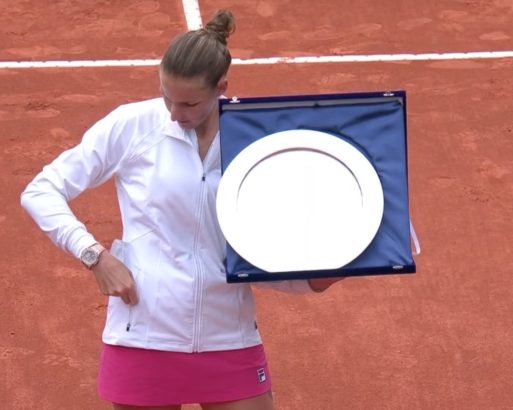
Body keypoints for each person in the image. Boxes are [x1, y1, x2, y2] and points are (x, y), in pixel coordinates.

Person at [21, 9, 341, 410]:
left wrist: (314, 278)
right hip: (143, 335)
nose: (174, 114)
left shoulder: (257, 142)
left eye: (189, 103)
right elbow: (41, 190)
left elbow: (252, 251)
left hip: (229, 336)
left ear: (222, 87)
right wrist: (94, 256)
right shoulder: (133, 125)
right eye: (166, 97)